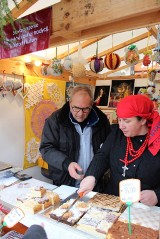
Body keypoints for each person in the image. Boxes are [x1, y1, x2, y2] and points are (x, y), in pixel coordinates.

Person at [78, 94, 160, 206]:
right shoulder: (116, 133)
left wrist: (157, 195)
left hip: (145, 207)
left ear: (143, 120)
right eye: (120, 119)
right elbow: (102, 156)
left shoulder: (157, 140)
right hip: (113, 200)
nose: (121, 126)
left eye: (127, 121)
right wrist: (91, 176)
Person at [39, 86, 110, 190]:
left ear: (91, 105)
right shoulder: (55, 120)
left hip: (94, 183)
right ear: (69, 103)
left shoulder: (102, 121)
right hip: (65, 182)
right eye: (76, 108)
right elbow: (46, 149)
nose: (80, 114)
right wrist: (67, 164)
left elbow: (107, 150)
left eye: (86, 109)